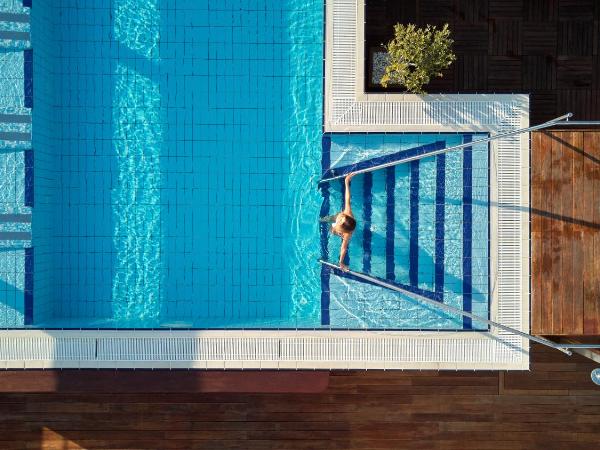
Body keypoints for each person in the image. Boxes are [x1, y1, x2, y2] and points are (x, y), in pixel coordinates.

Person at [320, 172, 357, 271]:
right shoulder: (347, 213)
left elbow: (343, 248)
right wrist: (346, 182)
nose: (341, 218)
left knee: (331, 230)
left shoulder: (346, 235)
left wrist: (341, 262)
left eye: (340, 221)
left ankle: (330, 227)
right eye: (343, 217)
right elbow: (347, 198)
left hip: (337, 230)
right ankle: (322, 219)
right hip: (335, 219)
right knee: (328, 218)